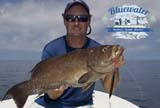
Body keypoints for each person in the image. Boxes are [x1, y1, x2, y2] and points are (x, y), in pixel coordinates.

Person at [35, 0, 101, 108]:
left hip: (82, 105)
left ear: (89, 20)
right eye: (70, 18)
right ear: (64, 21)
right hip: (49, 103)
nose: (76, 23)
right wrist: (54, 93)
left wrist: (114, 68)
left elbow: (109, 88)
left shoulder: (97, 49)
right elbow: (51, 95)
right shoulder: (51, 49)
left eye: (82, 18)